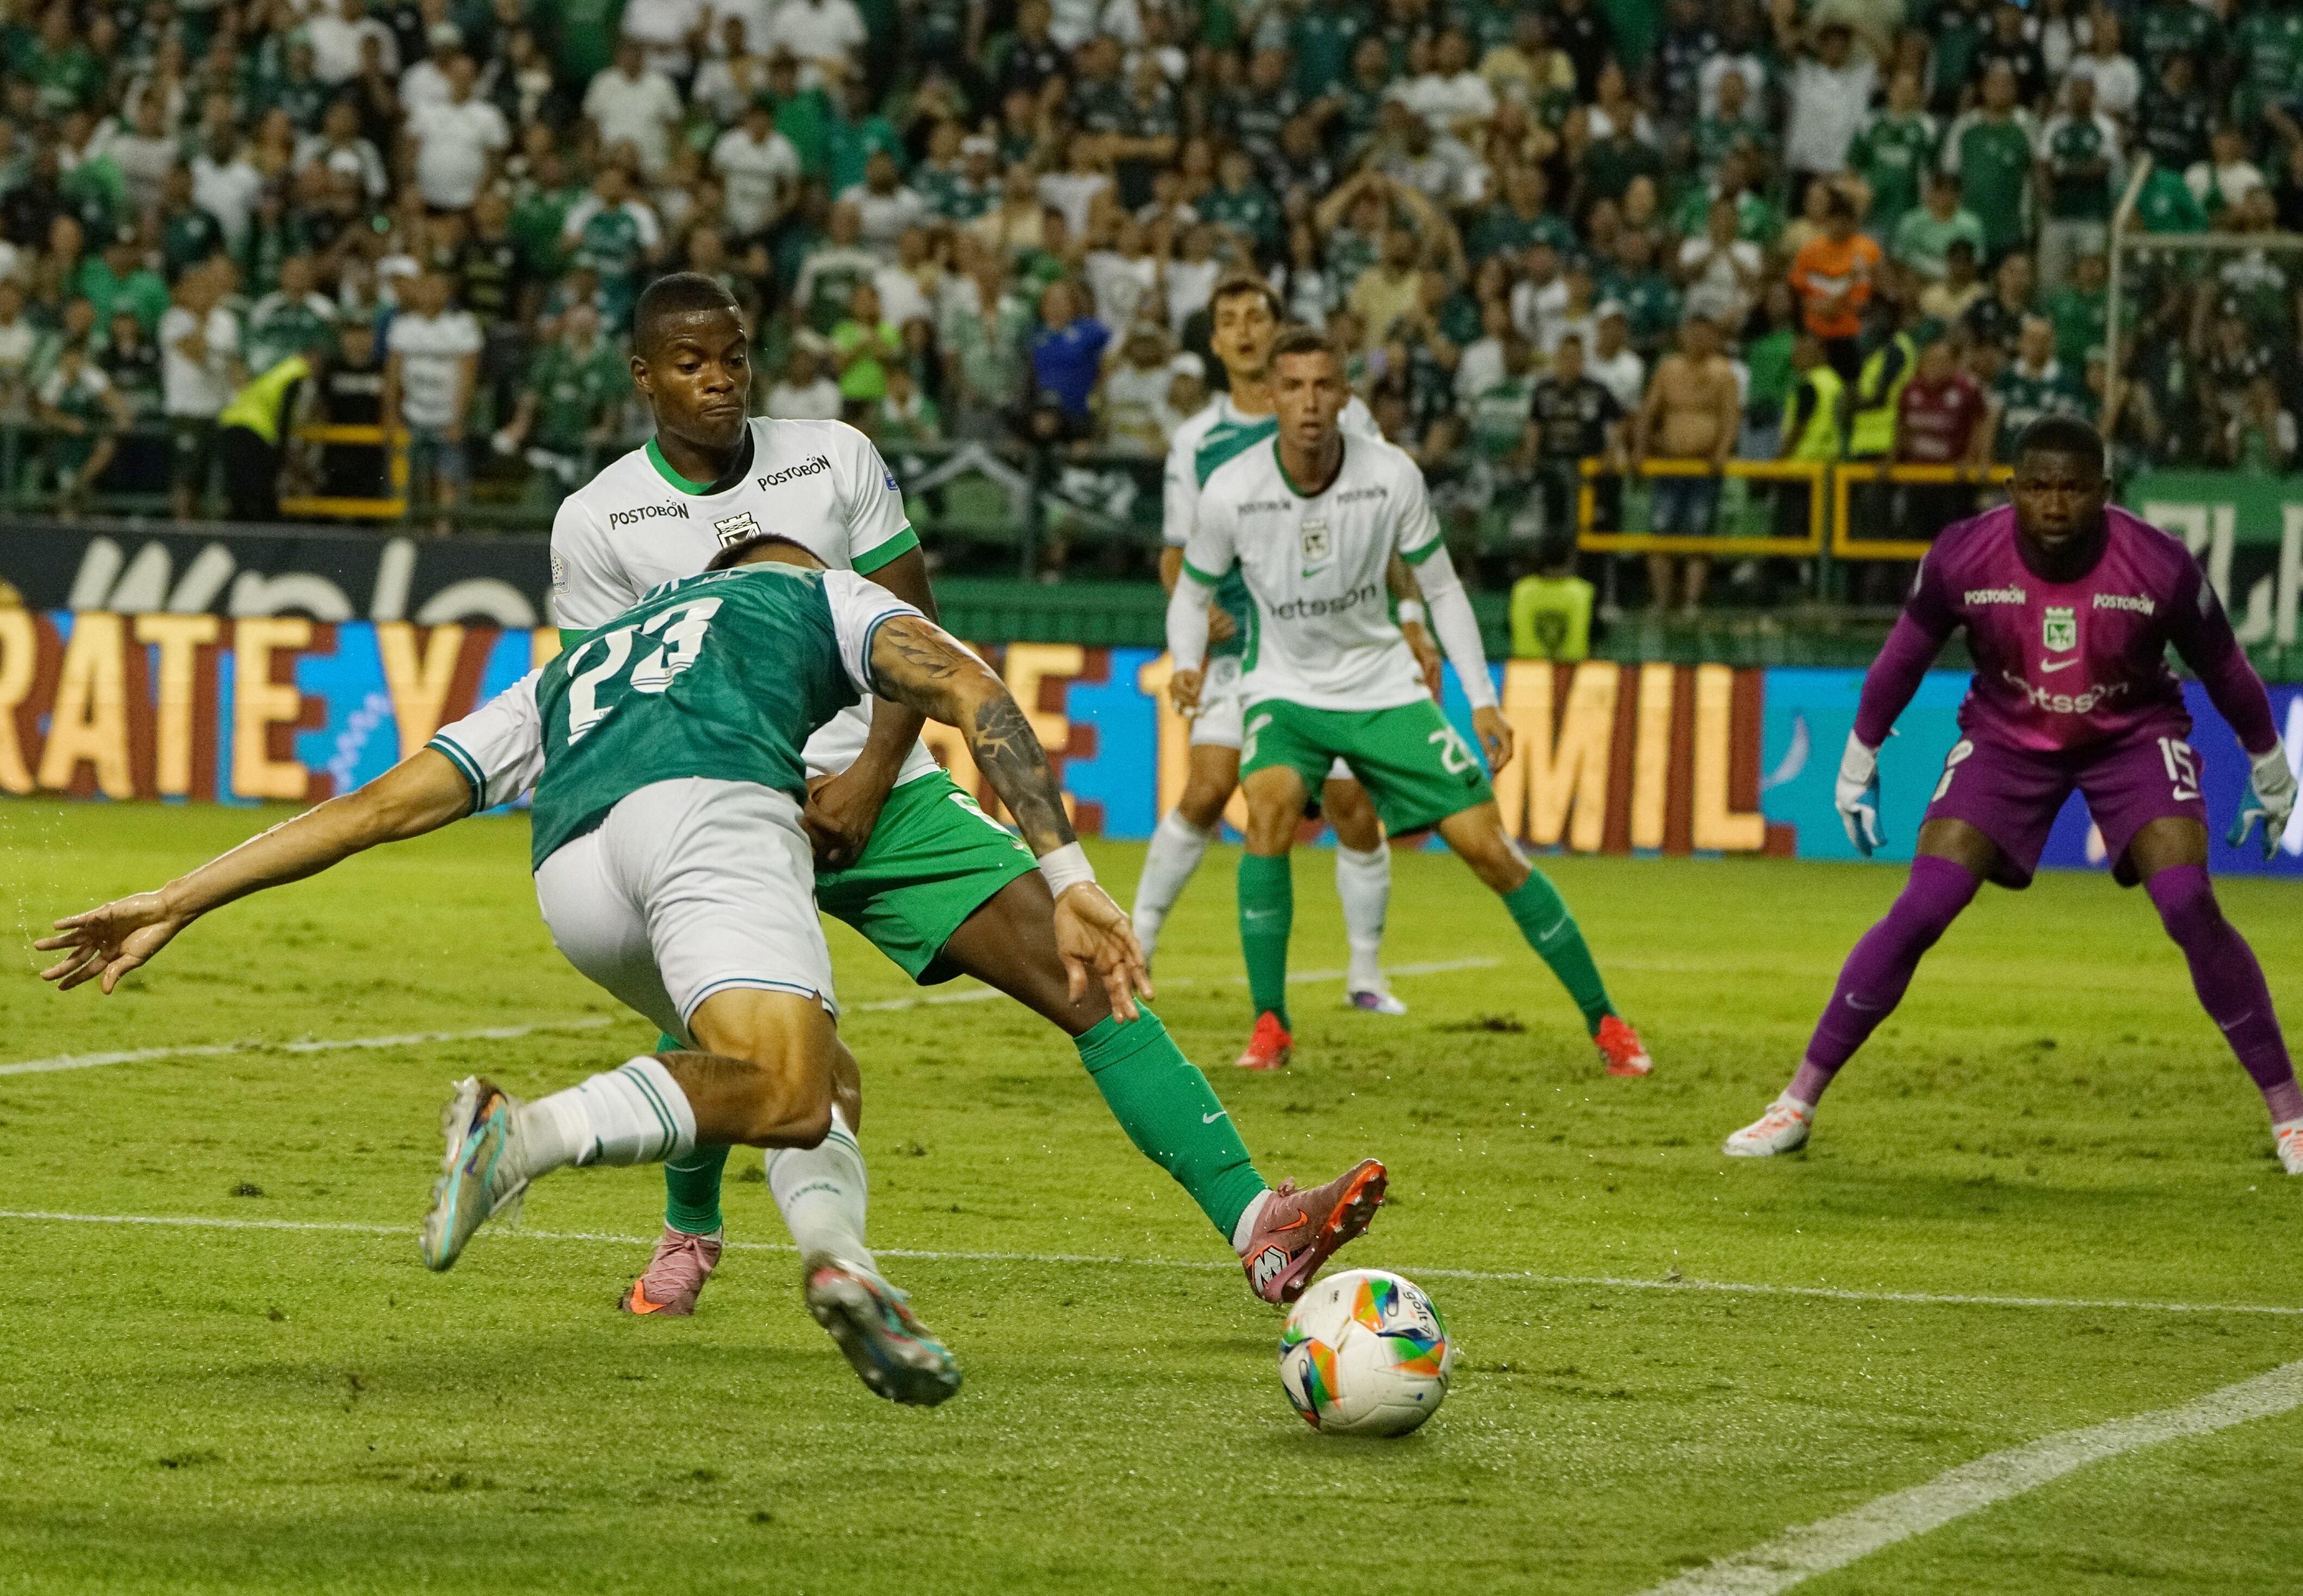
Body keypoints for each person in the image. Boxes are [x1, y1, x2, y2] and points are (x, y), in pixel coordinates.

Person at [34, 532, 1147, 1406]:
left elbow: (378, 808)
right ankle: (520, 1139)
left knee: (820, 1079)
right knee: (786, 1087)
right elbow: (973, 693)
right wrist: (1069, 875)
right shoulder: (818, 594)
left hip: (573, 878)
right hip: (708, 813)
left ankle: (841, 1266)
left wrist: (178, 897)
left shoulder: (584, 662)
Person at [549, 274, 1387, 1318]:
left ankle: (1258, 1224)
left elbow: (923, 640)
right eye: (689, 364)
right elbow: (609, 705)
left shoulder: (833, 457)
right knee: (719, 1019)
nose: (719, 381)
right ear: (641, 376)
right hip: (718, 803)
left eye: (734, 357)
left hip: (885, 792)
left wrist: (863, 778)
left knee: (1084, 974)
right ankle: (691, 1231)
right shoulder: (597, 523)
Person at [1723, 416, 2303, 1173]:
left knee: (2188, 900)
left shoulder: (2158, 566)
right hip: (2005, 734)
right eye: (2037, 487)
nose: (2054, 504)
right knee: (1922, 904)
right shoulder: (1962, 556)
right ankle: (1794, 1103)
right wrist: (1858, 756)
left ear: (2102, 490)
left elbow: (2224, 667)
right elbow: (1902, 658)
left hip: (2129, 734)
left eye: (2071, 487)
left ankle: (2290, 1116)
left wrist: (2268, 762)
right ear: (2012, 489)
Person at [1166, 326, 1653, 1079]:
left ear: (1346, 395)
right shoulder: (1232, 487)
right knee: (1265, 808)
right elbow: (1192, 591)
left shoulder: (1389, 474)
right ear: (1269, 398)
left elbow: (1442, 586)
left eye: (1324, 386)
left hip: (1382, 684)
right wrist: (1189, 661)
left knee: (1488, 848)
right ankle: (1270, 1022)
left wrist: (1482, 700)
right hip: (1283, 689)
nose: (1308, 403)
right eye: (1292, 387)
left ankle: (1607, 1021)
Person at [1132, 275, 1433, 1013]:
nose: (1242, 330)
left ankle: (1365, 972)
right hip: (1241, 654)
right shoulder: (1194, 441)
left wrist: (1412, 617)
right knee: (1206, 790)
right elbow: (1175, 554)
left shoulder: (1341, 413)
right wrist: (1192, 620)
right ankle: (1134, 946)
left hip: (1329, 647)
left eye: (1255, 318)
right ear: (1213, 343)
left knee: (1348, 804)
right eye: (1227, 320)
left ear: (1275, 330)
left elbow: (1389, 522)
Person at [1633, 313, 1740, 615]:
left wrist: (1722, 451)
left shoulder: (1722, 372)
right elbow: (1650, 411)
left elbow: (1731, 416)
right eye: (1694, 334)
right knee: (1660, 530)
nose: (1699, 340)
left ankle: (1692, 601)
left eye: (1705, 334)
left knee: (1699, 532)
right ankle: (1661, 599)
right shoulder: (1669, 369)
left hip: (1704, 467)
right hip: (1669, 464)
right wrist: (1641, 448)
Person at [382, 269, 482, 528]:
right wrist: (391, 416)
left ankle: (444, 532)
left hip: (446, 416)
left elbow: (468, 377)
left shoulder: (462, 326)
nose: (431, 295)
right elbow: (392, 377)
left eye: (439, 289)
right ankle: (408, 529)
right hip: (413, 414)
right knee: (410, 479)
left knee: (447, 478)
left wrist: (458, 418)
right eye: (427, 288)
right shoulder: (404, 326)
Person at [216, 343, 320, 520]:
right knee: (258, 489)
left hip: (232, 422)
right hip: (253, 429)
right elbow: (286, 414)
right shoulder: (296, 373)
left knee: (240, 488)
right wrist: (281, 449)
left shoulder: (282, 369)